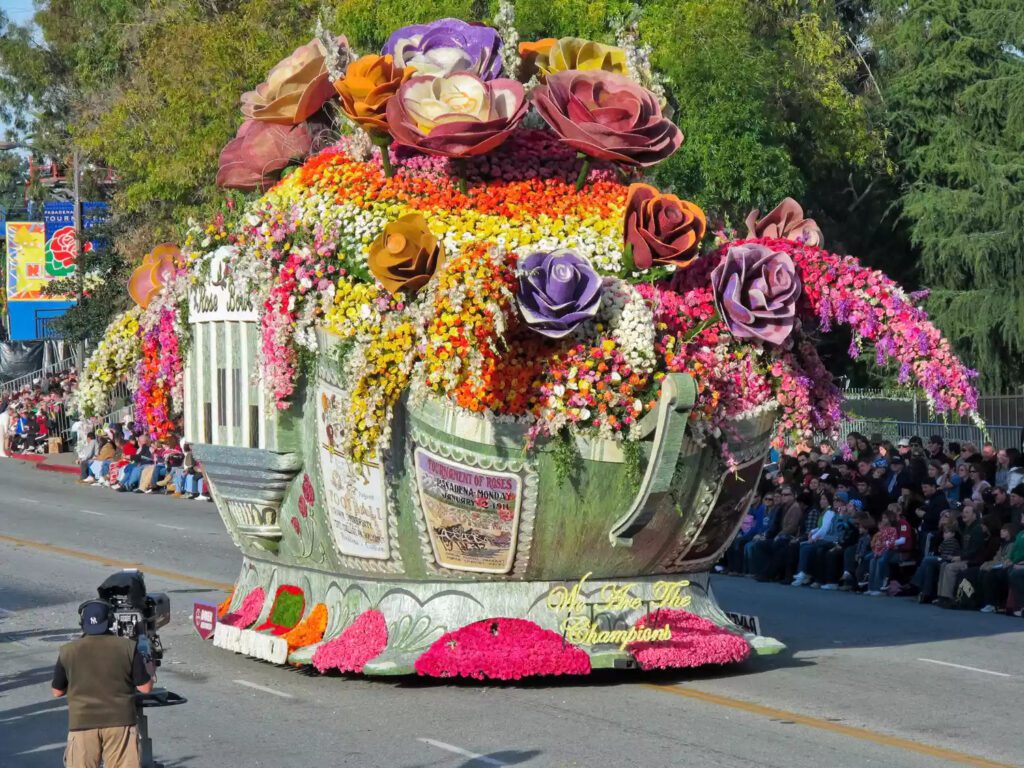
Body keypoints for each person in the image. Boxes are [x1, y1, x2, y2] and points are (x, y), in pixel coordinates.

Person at [51, 600, 154, 768]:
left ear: (82, 623)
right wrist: (149, 667)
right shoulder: (127, 647)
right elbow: (145, 688)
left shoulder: (68, 651)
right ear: (111, 621)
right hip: (120, 721)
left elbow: (57, 691)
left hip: (82, 723)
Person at [935, 501, 985, 606]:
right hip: (965, 557)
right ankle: (941, 596)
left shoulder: (977, 529)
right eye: (963, 512)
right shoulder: (966, 528)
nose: (963, 514)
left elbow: (975, 550)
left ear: (974, 515)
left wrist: (960, 557)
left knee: (950, 567)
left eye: (967, 512)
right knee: (944, 565)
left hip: (973, 561)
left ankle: (949, 598)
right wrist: (955, 556)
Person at [911, 517, 961, 603]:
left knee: (926, 559)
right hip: (941, 558)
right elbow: (937, 548)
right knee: (929, 567)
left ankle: (916, 583)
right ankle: (926, 594)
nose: (944, 535)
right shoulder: (942, 537)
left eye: (946, 533)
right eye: (944, 532)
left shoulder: (953, 540)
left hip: (945, 559)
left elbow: (943, 551)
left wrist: (941, 552)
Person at [979, 523, 1021, 613]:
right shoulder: (1002, 544)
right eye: (1001, 530)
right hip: (999, 565)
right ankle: (985, 602)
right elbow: (996, 558)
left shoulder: (1012, 544)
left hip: (1006, 567)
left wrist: (991, 566)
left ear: (1010, 532)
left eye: (1004, 530)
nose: (1001, 532)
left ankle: (992, 603)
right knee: (983, 571)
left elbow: (1006, 560)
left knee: (991, 575)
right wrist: (987, 564)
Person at [865, 507, 900, 595]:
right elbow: (878, 543)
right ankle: (871, 587)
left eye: (885, 518)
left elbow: (892, 542)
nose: (883, 520)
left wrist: (881, 551)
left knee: (880, 561)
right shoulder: (882, 531)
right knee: (872, 561)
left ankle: (879, 588)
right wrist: (877, 552)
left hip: (889, 550)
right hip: (879, 551)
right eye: (883, 518)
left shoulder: (893, 530)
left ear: (890, 519)